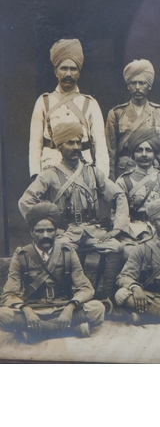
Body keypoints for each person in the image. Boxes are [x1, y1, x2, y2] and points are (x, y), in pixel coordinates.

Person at [19, 122, 129, 302]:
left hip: (92, 230)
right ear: (59, 146)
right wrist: (48, 228)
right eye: (70, 143)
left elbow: (118, 195)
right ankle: (71, 296)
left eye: (78, 143)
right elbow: (25, 201)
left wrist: (118, 227)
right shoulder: (49, 174)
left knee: (116, 247)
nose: (76, 147)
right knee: (64, 249)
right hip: (65, 232)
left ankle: (108, 296)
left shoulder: (93, 172)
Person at [0, 203, 105, 343]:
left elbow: (86, 288)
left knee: (97, 309)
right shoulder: (21, 255)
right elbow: (9, 293)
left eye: (50, 230)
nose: (45, 235)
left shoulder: (67, 252)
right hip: (34, 310)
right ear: (32, 232)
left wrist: (70, 307)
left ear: (56, 231)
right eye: (40, 231)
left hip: (63, 308)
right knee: (3, 315)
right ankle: (72, 330)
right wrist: (26, 310)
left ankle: (36, 332)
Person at [29, 38, 109, 179]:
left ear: (78, 73)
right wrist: (36, 175)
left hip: (82, 169)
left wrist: (101, 179)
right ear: (56, 71)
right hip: (51, 170)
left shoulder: (90, 103)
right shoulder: (43, 101)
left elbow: (100, 145)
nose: (68, 74)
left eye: (73, 69)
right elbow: (35, 143)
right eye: (63, 68)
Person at [106, 59, 160, 180]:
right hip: (125, 175)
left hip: (154, 175)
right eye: (133, 83)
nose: (137, 87)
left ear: (149, 86)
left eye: (142, 83)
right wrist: (112, 181)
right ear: (128, 86)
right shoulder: (116, 114)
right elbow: (110, 152)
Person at [115, 126, 160, 251]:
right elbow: (121, 217)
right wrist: (135, 234)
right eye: (139, 150)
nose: (144, 154)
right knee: (128, 253)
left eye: (149, 150)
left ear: (155, 153)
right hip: (134, 234)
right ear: (133, 154)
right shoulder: (122, 181)